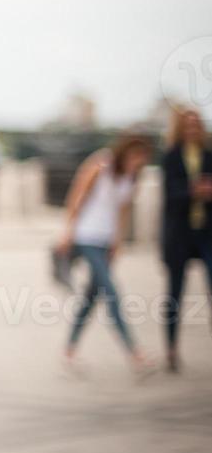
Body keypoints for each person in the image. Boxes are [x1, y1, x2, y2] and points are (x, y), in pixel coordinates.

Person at [57, 132, 156, 378]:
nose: (138, 162)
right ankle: (135, 354)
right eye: (135, 156)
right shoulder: (101, 164)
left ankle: (68, 350)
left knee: (90, 298)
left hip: (105, 241)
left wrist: (118, 241)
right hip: (86, 236)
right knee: (112, 293)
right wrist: (68, 231)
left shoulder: (133, 177)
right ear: (126, 152)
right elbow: (77, 196)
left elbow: (122, 211)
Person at [160, 107, 212, 374]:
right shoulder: (171, 156)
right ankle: (170, 349)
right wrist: (193, 190)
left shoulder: (208, 155)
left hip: (205, 232)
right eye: (188, 125)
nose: (193, 129)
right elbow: (169, 197)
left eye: (196, 125)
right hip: (179, 234)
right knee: (175, 294)